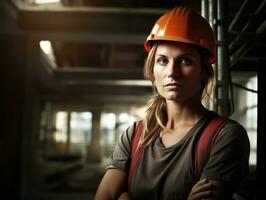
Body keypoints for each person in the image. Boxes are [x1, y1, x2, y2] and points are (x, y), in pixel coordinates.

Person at [95, 6, 250, 200]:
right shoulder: (134, 136)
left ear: (204, 70)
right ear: (153, 69)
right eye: (162, 60)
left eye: (185, 61)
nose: (172, 72)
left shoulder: (224, 136)